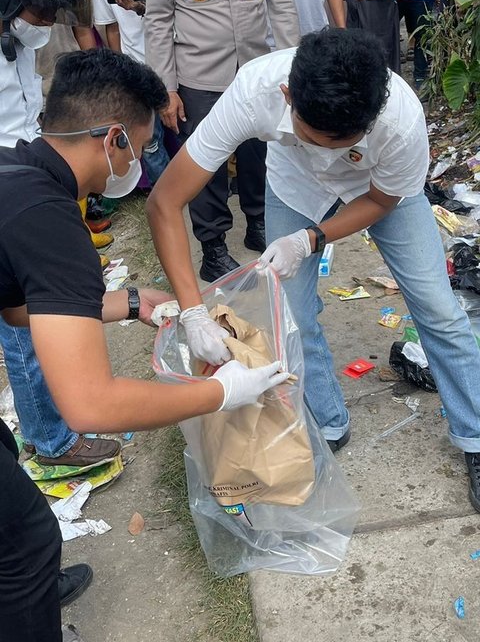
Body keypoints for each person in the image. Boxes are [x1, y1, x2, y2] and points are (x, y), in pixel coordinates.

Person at [0, 45, 286, 642]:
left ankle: (18, 599)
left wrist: (130, 302)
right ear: (112, 140)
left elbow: (15, 303)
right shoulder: (49, 218)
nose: (143, 160)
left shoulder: (15, 173)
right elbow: (90, 404)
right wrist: (221, 392)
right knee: (26, 539)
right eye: (144, 144)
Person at [146, 26, 480, 517]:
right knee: (293, 313)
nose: (328, 152)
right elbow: (165, 201)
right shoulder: (255, 91)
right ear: (288, 98)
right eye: (316, 138)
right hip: (293, 186)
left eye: (343, 142)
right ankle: (325, 424)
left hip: (378, 189)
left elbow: (384, 199)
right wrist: (193, 312)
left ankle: (475, 435)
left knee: (437, 306)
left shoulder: (401, 117)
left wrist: (311, 239)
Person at [144, 0, 299, 282]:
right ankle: (212, 246)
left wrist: (290, 69)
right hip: (199, 77)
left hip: (255, 71)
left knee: (258, 152)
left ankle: (258, 222)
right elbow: (157, 19)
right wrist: (166, 89)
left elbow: (282, 3)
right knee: (205, 164)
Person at [0, 0, 118, 471]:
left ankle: (58, 422)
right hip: (9, 199)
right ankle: (51, 443)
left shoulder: (17, 45)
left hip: (28, 181)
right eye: (39, 15)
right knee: (23, 329)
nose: (44, 27)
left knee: (42, 318)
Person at [90, 0, 170, 184]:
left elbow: (176, 10)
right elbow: (110, 28)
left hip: (173, 58)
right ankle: (168, 193)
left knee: (187, 129)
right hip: (137, 68)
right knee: (150, 140)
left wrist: (139, 6)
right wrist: (121, 73)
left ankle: (198, 191)